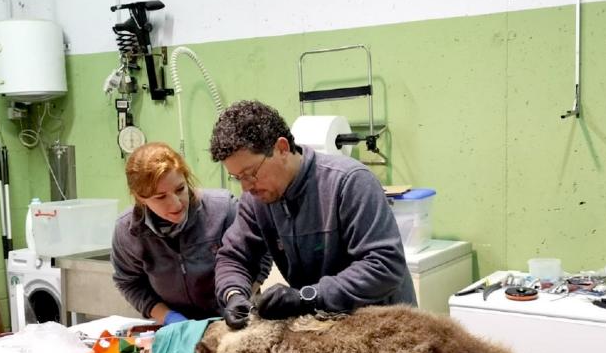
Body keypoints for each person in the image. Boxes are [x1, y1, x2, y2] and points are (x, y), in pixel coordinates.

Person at [210, 100, 416, 330]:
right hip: (325, 328)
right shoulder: (257, 199)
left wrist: (307, 296)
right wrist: (234, 294)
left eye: (251, 173)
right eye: (238, 178)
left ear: (281, 148)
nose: (246, 187)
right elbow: (235, 256)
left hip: (385, 327)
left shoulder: (350, 182)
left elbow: (384, 265)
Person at [111, 142, 248, 325]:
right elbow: (130, 283)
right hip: (175, 327)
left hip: (233, 321)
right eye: (160, 197)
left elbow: (257, 257)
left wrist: (236, 299)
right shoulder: (128, 232)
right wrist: (168, 317)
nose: (176, 204)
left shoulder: (223, 209)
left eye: (180, 189)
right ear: (141, 198)